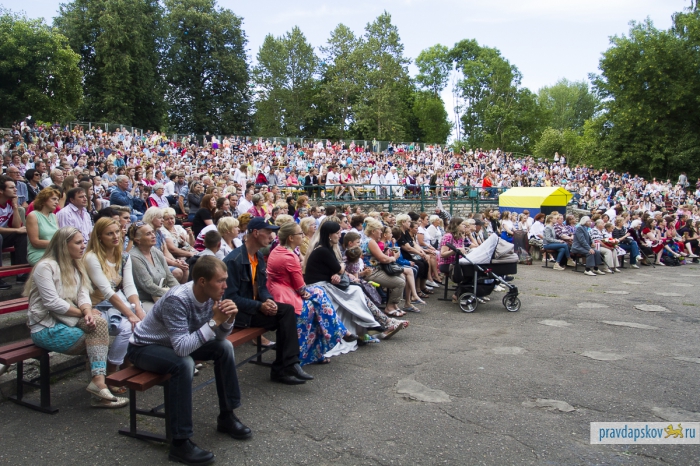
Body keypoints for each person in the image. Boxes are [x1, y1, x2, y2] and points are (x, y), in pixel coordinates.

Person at [127, 256, 250, 465]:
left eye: (225, 280)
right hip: (144, 348)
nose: (225, 286)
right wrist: (214, 322)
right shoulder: (177, 299)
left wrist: (228, 320)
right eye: (220, 280)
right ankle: (180, 442)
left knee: (225, 348)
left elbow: (220, 337)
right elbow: (182, 349)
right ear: (202, 281)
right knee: (184, 364)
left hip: (175, 343)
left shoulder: (212, 295)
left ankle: (227, 416)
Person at [25, 226, 127, 408]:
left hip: (69, 320)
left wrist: (87, 311)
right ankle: (100, 391)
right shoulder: (45, 266)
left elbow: (83, 294)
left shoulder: (76, 264)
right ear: (64, 245)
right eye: (78, 243)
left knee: (99, 324)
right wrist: (83, 313)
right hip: (46, 327)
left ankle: (99, 385)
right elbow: (52, 302)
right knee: (96, 341)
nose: (83, 246)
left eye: (83, 242)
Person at [223, 217, 313, 385]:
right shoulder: (233, 261)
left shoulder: (257, 255)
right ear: (256, 233)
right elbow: (230, 299)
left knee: (287, 310)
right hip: (240, 315)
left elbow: (263, 287)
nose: (272, 236)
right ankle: (285, 367)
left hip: (253, 308)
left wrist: (268, 300)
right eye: (269, 232)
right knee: (285, 316)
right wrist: (260, 306)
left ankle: (288, 365)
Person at [267, 222, 352, 365]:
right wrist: (303, 292)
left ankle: (333, 337)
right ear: (291, 238)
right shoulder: (289, 256)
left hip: (281, 290)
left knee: (318, 296)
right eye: (300, 233)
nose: (303, 235)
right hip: (285, 294)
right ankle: (338, 332)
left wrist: (303, 291)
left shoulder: (278, 250)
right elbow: (300, 285)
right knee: (313, 307)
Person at [84, 218, 146, 393]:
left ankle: (128, 362)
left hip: (116, 301)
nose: (115, 236)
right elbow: (106, 291)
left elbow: (129, 286)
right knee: (127, 326)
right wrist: (130, 314)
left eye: (117, 232)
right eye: (109, 233)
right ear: (99, 237)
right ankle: (111, 370)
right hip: (97, 304)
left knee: (142, 321)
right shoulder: (92, 257)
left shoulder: (124, 256)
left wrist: (138, 309)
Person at [128, 222, 180, 311]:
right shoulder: (134, 257)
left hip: (163, 295)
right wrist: (172, 295)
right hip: (144, 300)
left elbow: (169, 277)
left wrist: (180, 291)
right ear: (137, 240)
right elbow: (148, 286)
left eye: (153, 232)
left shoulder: (156, 251)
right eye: (148, 234)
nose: (153, 236)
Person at [0, 175, 29, 287]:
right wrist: (16, 230)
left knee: (22, 235)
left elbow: (17, 225)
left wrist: (15, 207)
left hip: (3, 235)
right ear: (1, 190)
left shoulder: (9, 203)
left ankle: (22, 274)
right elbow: (16, 228)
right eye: (11, 187)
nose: (15, 189)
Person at [26, 187, 60, 266]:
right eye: (54, 199)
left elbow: (57, 237)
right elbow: (35, 242)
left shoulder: (54, 216)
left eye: (58, 200)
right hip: (39, 254)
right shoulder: (33, 216)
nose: (57, 202)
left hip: (54, 252)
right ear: (44, 200)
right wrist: (58, 243)